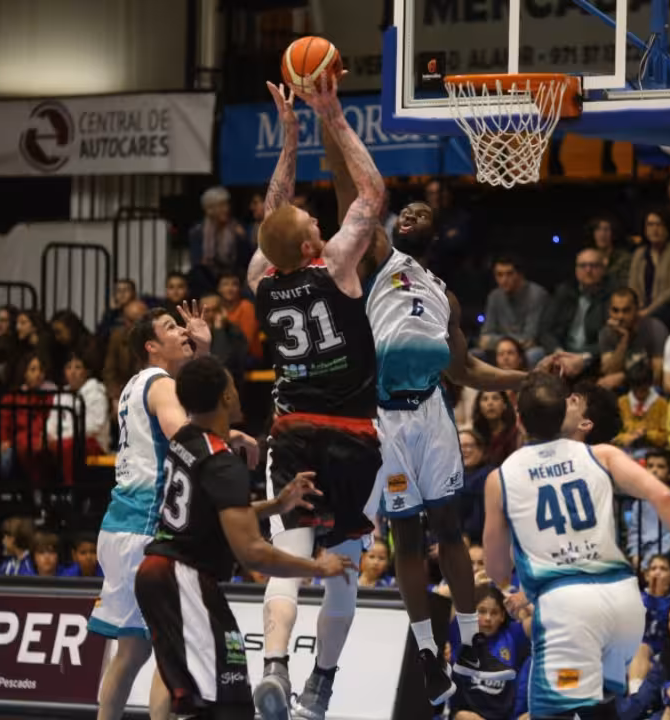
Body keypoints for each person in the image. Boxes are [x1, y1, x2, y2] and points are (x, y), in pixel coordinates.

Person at [310, 78, 531, 712]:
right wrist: (328, 116)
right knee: (407, 537)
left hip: (432, 413)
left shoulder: (446, 297)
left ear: (435, 233)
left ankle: (470, 644)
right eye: (402, 212)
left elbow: (467, 372)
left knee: (450, 529)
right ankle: (429, 653)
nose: (406, 214)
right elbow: (347, 188)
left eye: (419, 214)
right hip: (385, 418)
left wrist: (526, 380)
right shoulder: (375, 258)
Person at [246, 77, 387, 720]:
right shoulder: (335, 265)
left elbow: (272, 220)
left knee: (291, 556)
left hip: (293, 433)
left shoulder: (262, 280)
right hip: (352, 437)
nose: (318, 219)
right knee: (344, 563)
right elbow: (371, 194)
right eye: (312, 222)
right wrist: (332, 115)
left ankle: (274, 666)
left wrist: (290, 139)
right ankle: (320, 685)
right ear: (310, 246)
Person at [483, 372, 670, 720]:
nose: (572, 401)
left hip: (570, 612)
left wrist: (510, 587)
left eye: (576, 401)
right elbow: (666, 498)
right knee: (597, 707)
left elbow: (497, 569)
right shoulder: (604, 455)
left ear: (519, 420)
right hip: (621, 606)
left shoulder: (502, 477)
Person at [136, 355, 353, 720]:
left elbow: (217, 512)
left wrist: (277, 505)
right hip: (181, 578)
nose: (238, 393)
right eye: (233, 387)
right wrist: (317, 567)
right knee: (226, 705)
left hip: (163, 575)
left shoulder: (186, 440)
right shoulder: (223, 464)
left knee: (218, 702)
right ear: (225, 397)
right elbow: (253, 553)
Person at [89, 302, 257, 720]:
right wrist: (231, 436)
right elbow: (184, 434)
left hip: (120, 524)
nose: (182, 331)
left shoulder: (137, 385)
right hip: (148, 528)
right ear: (151, 346)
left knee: (132, 650)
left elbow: (195, 407)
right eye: (171, 327)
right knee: (171, 647)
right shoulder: (162, 383)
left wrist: (204, 353)